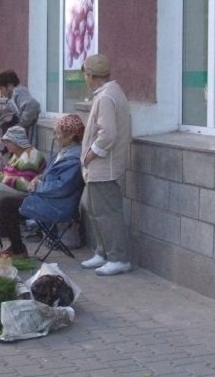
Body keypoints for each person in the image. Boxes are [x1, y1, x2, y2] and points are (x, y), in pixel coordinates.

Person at [0, 114, 85, 257]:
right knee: (4, 202)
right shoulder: (64, 152)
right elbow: (48, 173)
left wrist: (37, 186)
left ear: (70, 136)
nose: (55, 137)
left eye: (58, 133)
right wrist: (38, 178)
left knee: (5, 204)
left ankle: (18, 249)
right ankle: (15, 247)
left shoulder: (73, 158)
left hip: (58, 205)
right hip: (47, 198)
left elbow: (62, 187)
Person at [79, 54, 132, 276]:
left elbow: (108, 134)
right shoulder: (108, 94)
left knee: (108, 213)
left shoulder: (106, 97)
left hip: (104, 167)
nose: (85, 79)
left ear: (90, 75)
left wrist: (91, 154)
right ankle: (103, 253)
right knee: (93, 208)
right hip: (99, 168)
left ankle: (118, 258)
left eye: (85, 75)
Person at [0, 126, 46, 218]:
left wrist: (1, 178)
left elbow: (25, 184)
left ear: (17, 141)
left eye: (8, 142)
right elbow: (11, 174)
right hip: (16, 188)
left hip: (28, 194)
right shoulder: (17, 154)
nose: (6, 145)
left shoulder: (30, 156)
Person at [0, 70, 40, 170]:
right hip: (11, 144)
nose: (1, 92)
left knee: (17, 169)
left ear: (9, 85)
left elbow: (33, 105)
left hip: (17, 144)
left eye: (2, 88)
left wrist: (20, 126)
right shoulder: (14, 95)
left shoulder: (19, 92)